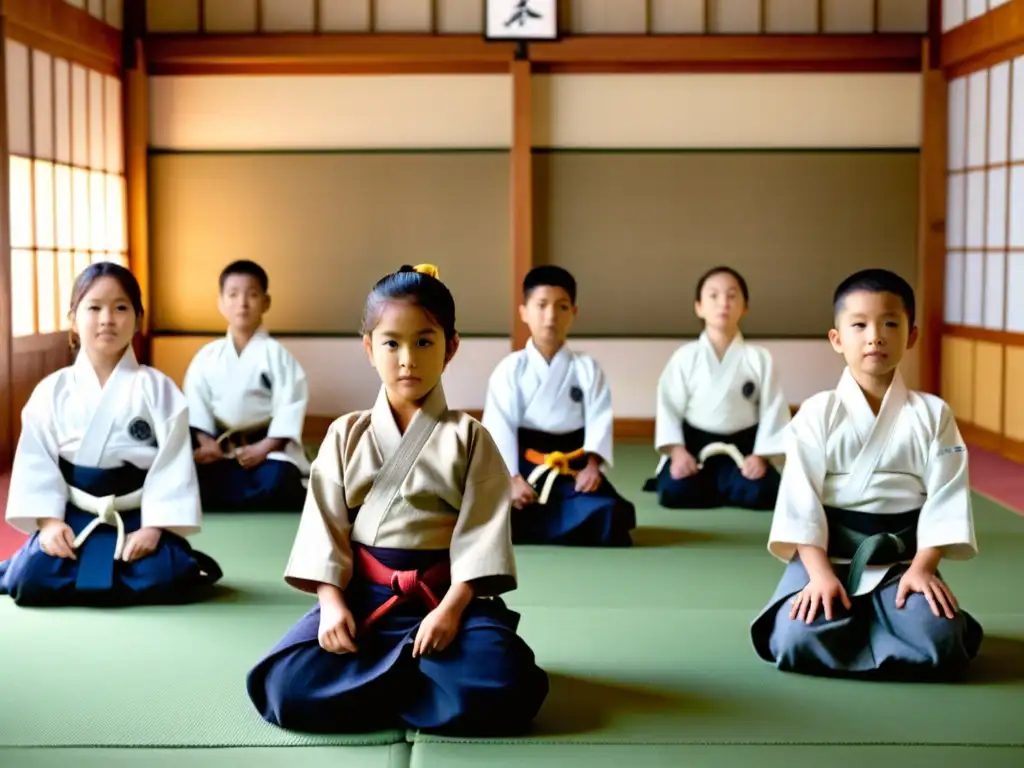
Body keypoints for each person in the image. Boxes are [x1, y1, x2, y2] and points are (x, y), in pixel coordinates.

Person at [246, 264, 549, 735]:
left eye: (424, 342)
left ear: (450, 347)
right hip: (365, 599)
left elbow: (482, 539)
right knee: (284, 686)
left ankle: (373, 688)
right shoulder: (345, 434)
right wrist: (330, 603)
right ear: (369, 348)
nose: (407, 358)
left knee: (508, 685)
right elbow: (324, 527)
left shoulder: (472, 438)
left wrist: (450, 610)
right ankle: (424, 688)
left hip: (449, 598)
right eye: (392, 343)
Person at [750, 268, 983, 679]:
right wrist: (819, 575)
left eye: (890, 323)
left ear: (911, 335)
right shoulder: (817, 413)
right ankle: (857, 621)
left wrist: (923, 568)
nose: (874, 336)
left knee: (941, 640)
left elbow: (947, 499)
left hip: (902, 563)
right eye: (859, 325)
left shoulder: (933, 414)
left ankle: (882, 624)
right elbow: (799, 502)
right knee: (794, 639)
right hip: (826, 557)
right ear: (837, 339)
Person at [0, 262, 222, 607]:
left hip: (137, 514)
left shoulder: (160, 390)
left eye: (121, 308)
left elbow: (173, 466)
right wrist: (47, 522)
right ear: (74, 318)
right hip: (72, 513)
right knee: (29, 580)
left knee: (165, 576)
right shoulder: (52, 391)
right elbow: (36, 463)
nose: (107, 319)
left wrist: (154, 527)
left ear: (138, 318)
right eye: (94, 308)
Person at [481, 265, 635, 547]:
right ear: (524, 311)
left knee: (610, 514)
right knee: (487, 516)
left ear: (573, 313)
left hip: (573, 470)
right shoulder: (510, 369)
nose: (550, 316)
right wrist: (512, 479)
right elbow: (499, 428)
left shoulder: (587, 368)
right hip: (525, 468)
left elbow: (600, 420)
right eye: (541, 305)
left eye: (561, 306)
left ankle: (539, 527)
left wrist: (593, 466)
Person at [644, 266, 790, 511]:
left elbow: (773, 410)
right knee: (673, 492)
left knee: (767, 493)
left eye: (732, 296)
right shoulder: (685, 357)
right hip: (694, 449)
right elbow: (668, 408)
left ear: (745, 307)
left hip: (745, 451)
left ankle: (723, 485)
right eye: (713, 295)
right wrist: (678, 453)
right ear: (699, 306)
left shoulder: (759, 358)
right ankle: (723, 487)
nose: (723, 302)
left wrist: (760, 456)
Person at [184, 260, 309, 511]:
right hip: (221, 452)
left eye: (252, 294)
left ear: (266, 302)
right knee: (186, 475)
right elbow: (196, 404)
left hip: (267, 451)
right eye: (233, 294)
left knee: (279, 477)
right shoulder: (206, 357)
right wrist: (206, 442)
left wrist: (263, 448)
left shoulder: (277, 355)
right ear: (220, 302)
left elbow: (289, 407)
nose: (242, 303)